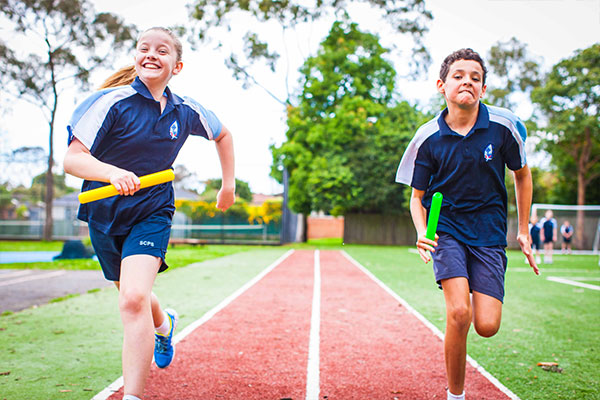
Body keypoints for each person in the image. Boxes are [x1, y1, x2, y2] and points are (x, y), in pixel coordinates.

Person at [63, 27, 235, 400]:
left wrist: (228, 185)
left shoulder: (185, 110)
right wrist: (111, 173)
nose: (151, 54)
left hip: (152, 211)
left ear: (177, 65)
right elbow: (72, 159)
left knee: (132, 300)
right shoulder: (110, 102)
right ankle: (164, 324)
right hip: (103, 211)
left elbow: (223, 135)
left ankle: (133, 396)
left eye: (162, 50)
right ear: (136, 57)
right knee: (131, 293)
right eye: (144, 48)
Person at [395, 48, 539, 400]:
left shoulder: (503, 129)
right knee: (459, 313)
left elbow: (522, 174)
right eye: (459, 76)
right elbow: (417, 198)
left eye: (476, 78)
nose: (467, 82)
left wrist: (522, 229)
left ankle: (475, 285)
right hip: (446, 229)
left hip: (488, 232)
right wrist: (421, 233)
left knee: (486, 325)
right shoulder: (428, 137)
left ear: (484, 90)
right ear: (441, 86)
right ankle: (455, 396)